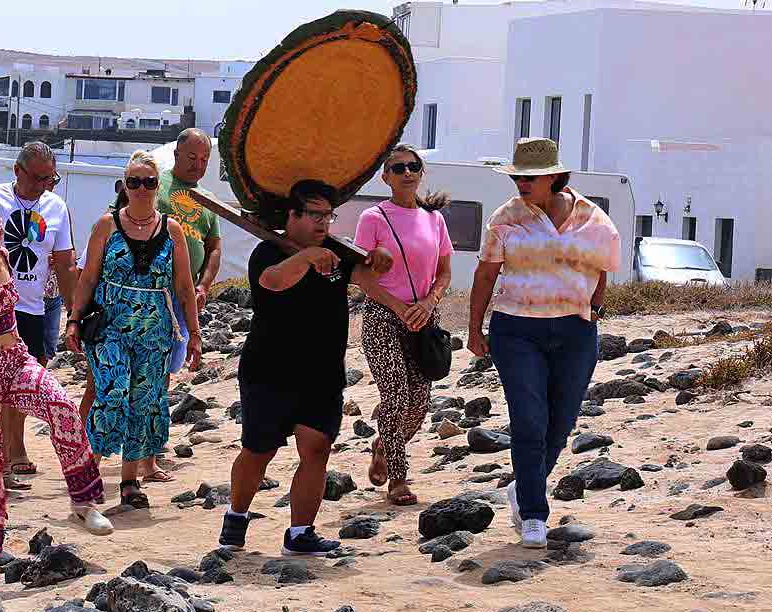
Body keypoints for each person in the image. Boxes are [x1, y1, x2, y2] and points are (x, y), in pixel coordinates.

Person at [0, 195, 113, 588]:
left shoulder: (1, 257)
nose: (2, 233)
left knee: (62, 407)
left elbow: (11, 312)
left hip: (14, 358)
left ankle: (83, 500)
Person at [219, 179, 396, 557]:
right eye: (314, 214)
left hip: (322, 371)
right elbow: (274, 282)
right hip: (269, 371)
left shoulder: (337, 252)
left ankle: (300, 533)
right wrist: (305, 257)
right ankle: (236, 515)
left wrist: (382, 259)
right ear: (292, 216)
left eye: (328, 215)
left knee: (316, 450)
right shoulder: (266, 252)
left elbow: (367, 278)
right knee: (258, 451)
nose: (323, 223)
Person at [467, 138, 621, 549]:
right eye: (518, 176)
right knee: (529, 420)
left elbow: (601, 271)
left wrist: (595, 312)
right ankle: (534, 514)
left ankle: (523, 487)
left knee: (562, 422)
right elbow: (485, 275)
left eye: (530, 177)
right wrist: (473, 329)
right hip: (517, 330)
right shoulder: (506, 218)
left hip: (575, 331)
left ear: (554, 176)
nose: (522, 183)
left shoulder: (594, 219)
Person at [71, 152, 203, 506]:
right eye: (134, 182)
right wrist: (73, 319)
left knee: (144, 401)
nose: (141, 189)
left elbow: (184, 287)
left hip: (155, 330)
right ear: (124, 186)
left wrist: (195, 333)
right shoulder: (106, 225)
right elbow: (88, 277)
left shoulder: (172, 230)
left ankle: (129, 479)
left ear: (157, 187)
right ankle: (88, 473)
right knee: (112, 393)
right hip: (110, 325)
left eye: (148, 182)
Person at [354, 144, 454, 505]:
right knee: (395, 397)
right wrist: (399, 307)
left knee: (420, 403)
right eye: (399, 169)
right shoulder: (374, 218)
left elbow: (444, 273)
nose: (407, 173)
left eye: (413, 167)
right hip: (384, 316)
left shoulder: (435, 220)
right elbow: (361, 276)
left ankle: (384, 445)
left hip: (425, 319)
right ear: (386, 177)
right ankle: (399, 478)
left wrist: (429, 303)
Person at [0, 141, 76, 482]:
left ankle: (14, 445)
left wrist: (75, 314)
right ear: (17, 171)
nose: (42, 186)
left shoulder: (56, 207)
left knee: (25, 381)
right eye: (36, 178)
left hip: (33, 308)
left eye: (49, 179)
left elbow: (66, 264)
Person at [158, 128, 224, 312]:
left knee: (183, 341)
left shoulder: (209, 200)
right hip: (146, 291)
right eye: (192, 158)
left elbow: (215, 249)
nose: (198, 165)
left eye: (204, 160)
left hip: (185, 298)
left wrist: (203, 286)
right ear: (176, 154)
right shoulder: (151, 182)